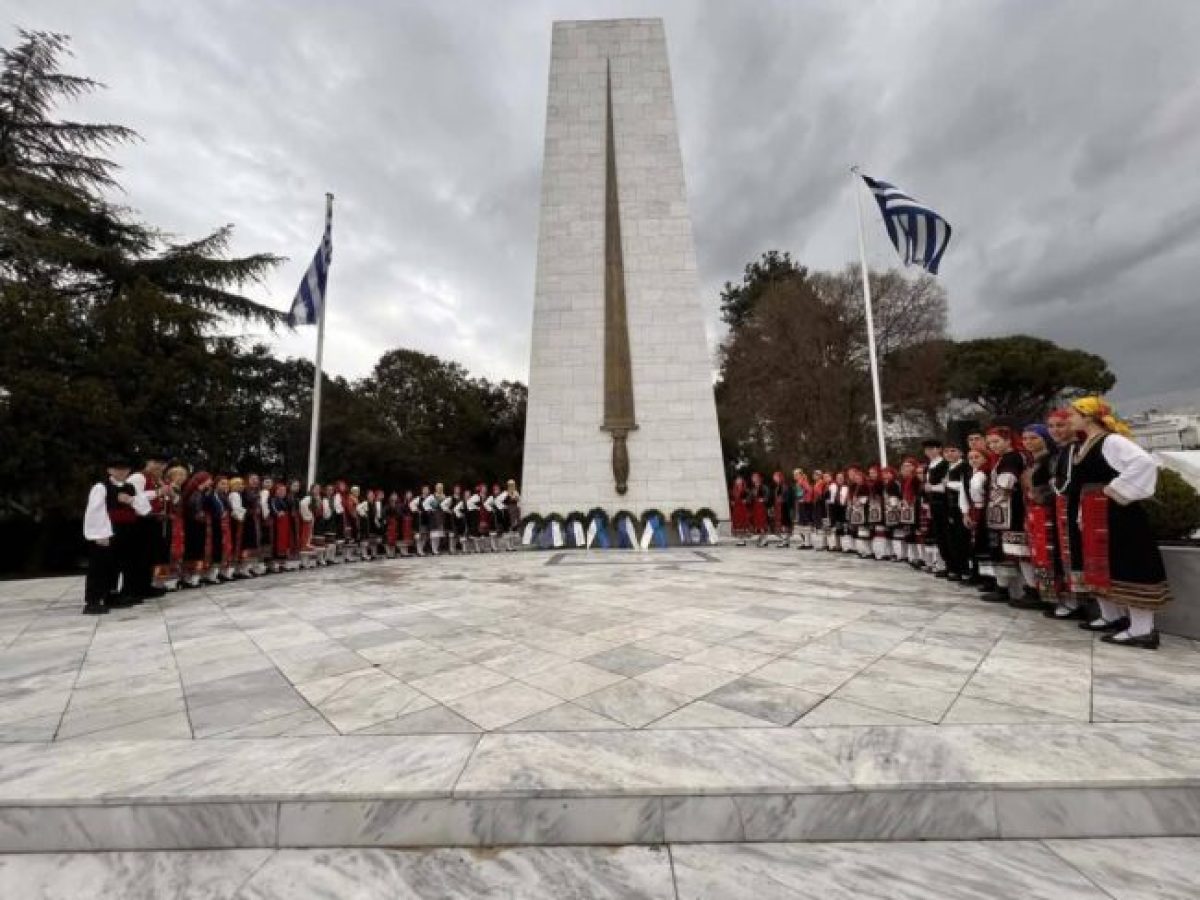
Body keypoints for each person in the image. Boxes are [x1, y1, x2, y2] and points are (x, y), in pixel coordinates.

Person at [1067, 397, 1171, 648]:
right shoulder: (1086, 443)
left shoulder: (1111, 441)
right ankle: (1116, 618)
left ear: (1088, 416)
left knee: (1131, 562)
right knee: (1109, 564)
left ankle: (1142, 630)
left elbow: (1144, 462)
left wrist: (1115, 490)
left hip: (1119, 514)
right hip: (1097, 514)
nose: (1069, 418)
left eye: (1072, 414)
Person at [81, 453, 139, 614]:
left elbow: (139, 504)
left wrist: (131, 501)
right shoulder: (101, 487)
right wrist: (99, 534)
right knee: (99, 567)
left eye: (124, 469)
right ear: (109, 470)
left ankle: (111, 594)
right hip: (106, 530)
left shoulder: (129, 487)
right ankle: (92, 600)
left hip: (124, 531)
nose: (121, 472)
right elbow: (95, 511)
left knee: (116, 564)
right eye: (117, 469)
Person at [981, 426, 1030, 603]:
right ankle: (1008, 587)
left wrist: (994, 495)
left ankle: (1020, 589)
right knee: (1007, 550)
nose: (992, 446)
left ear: (1008, 441)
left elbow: (1007, 482)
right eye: (990, 443)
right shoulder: (1005, 458)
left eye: (996, 441)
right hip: (1002, 511)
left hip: (1010, 511)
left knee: (1013, 549)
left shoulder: (1011, 458)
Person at [1048, 408, 1088, 619]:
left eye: (1060, 425)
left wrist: (1054, 486)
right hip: (1063, 507)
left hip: (1072, 506)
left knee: (1073, 552)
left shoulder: (1073, 448)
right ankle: (1073, 600)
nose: (1055, 430)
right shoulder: (1062, 450)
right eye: (1052, 426)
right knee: (1066, 552)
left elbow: (1069, 482)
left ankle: (1077, 602)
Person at [1021, 424, 1061, 609]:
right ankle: (1045, 596)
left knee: (1052, 555)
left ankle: (1061, 599)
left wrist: (1038, 495)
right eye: (1025, 438)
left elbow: (1056, 487)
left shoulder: (1051, 460)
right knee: (1040, 556)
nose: (1028, 442)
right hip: (1034, 513)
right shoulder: (1031, 461)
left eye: (1033, 438)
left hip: (1049, 512)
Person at [126, 453, 169, 600]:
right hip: (140, 522)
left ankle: (145, 586)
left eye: (163, 464)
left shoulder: (156, 480)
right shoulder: (138, 477)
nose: (160, 466)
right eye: (156, 462)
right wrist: (157, 493)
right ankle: (135, 588)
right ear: (148, 462)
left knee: (150, 556)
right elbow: (135, 497)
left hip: (153, 521)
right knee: (140, 556)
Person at [962, 448, 993, 590]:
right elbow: (965, 495)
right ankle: (979, 574)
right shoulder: (970, 474)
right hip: (974, 509)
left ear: (985, 458)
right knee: (975, 543)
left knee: (984, 543)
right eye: (971, 458)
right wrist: (966, 513)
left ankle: (989, 579)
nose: (974, 460)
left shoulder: (987, 473)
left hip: (984, 510)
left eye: (977, 457)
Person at [942, 446, 971, 582]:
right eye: (947, 451)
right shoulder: (947, 467)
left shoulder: (964, 466)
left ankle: (966, 570)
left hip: (962, 508)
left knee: (962, 539)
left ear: (960, 452)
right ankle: (956, 568)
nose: (949, 453)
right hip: (949, 508)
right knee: (952, 540)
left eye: (953, 451)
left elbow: (966, 485)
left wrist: (949, 484)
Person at [923, 439, 950, 577]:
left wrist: (932, 488)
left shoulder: (944, 464)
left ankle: (947, 564)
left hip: (944, 503)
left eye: (932, 449)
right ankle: (939, 563)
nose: (929, 452)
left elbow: (946, 485)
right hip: (933, 503)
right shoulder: (928, 466)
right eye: (927, 449)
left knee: (945, 534)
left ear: (939, 449)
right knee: (937, 534)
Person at [181, 472, 213, 588]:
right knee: (194, 550)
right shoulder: (195, 493)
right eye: (209, 479)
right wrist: (200, 514)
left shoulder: (201, 492)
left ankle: (192, 577)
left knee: (195, 550)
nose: (211, 482)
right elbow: (194, 508)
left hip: (197, 524)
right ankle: (190, 577)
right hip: (194, 525)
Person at [269, 481, 292, 572]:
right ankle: (276, 564)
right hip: (278, 524)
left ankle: (283, 563)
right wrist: (278, 513)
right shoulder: (274, 499)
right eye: (281, 490)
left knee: (285, 543)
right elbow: (274, 510)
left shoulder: (286, 500)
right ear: (276, 491)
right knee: (278, 543)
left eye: (284, 490)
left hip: (285, 524)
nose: (283, 492)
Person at [767, 470, 791, 547]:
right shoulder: (778, 486)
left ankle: (785, 541)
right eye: (774, 477)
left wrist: (781, 499)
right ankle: (785, 540)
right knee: (781, 524)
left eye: (776, 477)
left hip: (783, 507)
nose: (775, 479)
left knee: (784, 523)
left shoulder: (783, 486)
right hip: (779, 507)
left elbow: (785, 496)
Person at [729, 476, 750, 546]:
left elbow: (748, 498)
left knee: (742, 523)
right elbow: (731, 498)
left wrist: (746, 501)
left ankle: (743, 540)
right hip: (736, 508)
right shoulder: (733, 490)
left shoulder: (745, 489)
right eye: (737, 480)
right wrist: (732, 502)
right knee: (737, 523)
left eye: (739, 480)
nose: (738, 481)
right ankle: (740, 540)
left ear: (742, 481)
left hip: (742, 508)